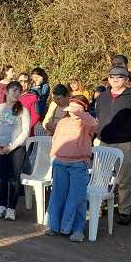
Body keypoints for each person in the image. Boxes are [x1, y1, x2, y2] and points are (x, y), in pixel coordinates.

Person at [94, 65, 131, 225]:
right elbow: (98, 116)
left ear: (126, 79)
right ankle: (99, 206)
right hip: (104, 142)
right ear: (108, 79)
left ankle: (125, 211)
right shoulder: (102, 96)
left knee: (124, 180)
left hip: (123, 143)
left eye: (119, 77)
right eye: (112, 77)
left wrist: (127, 134)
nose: (115, 79)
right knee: (100, 178)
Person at [45, 95, 98, 242]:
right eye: (72, 106)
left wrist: (80, 113)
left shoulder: (86, 122)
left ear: (84, 108)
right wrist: (53, 157)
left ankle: (77, 230)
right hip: (60, 162)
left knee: (77, 197)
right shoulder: (62, 122)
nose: (73, 109)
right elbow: (56, 140)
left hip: (79, 164)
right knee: (57, 196)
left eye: (78, 106)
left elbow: (95, 126)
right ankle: (55, 226)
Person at [0, 81, 31, 221]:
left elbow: (25, 132)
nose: (17, 93)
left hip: (16, 150)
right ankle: (2, 205)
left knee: (14, 178)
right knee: (2, 177)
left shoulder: (23, 110)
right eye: (14, 90)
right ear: (6, 92)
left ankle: (11, 208)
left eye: (19, 91)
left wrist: (11, 147)